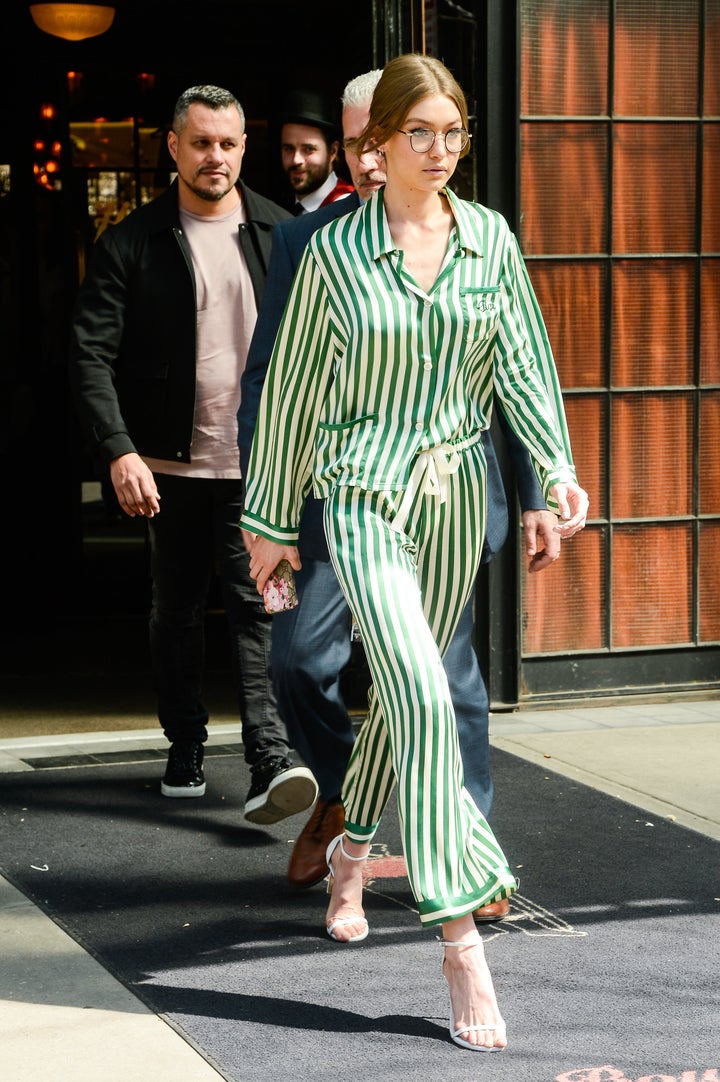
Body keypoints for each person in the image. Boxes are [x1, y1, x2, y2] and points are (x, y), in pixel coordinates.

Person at [241, 54, 589, 1052]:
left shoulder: (489, 241)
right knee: (428, 691)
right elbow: (292, 395)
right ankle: (458, 927)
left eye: (455, 132)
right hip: (361, 495)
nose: (442, 151)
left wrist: (555, 471)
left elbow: (523, 364)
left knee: (406, 695)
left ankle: (353, 847)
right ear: (376, 145)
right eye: (422, 133)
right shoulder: (333, 257)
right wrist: (268, 525)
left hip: (452, 501)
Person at [68, 84, 318, 826]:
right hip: (168, 469)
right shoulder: (131, 242)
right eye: (202, 142)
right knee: (174, 610)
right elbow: (88, 355)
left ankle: (269, 757)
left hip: (260, 463)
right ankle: (184, 744)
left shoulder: (284, 233)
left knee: (257, 606)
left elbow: (320, 352)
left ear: (245, 148)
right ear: (174, 148)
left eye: (229, 143)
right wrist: (119, 450)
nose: (216, 156)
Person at [279, 88, 355, 213]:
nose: (296, 160)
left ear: (333, 152)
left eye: (309, 149)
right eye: (289, 149)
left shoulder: (348, 209)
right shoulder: (279, 208)